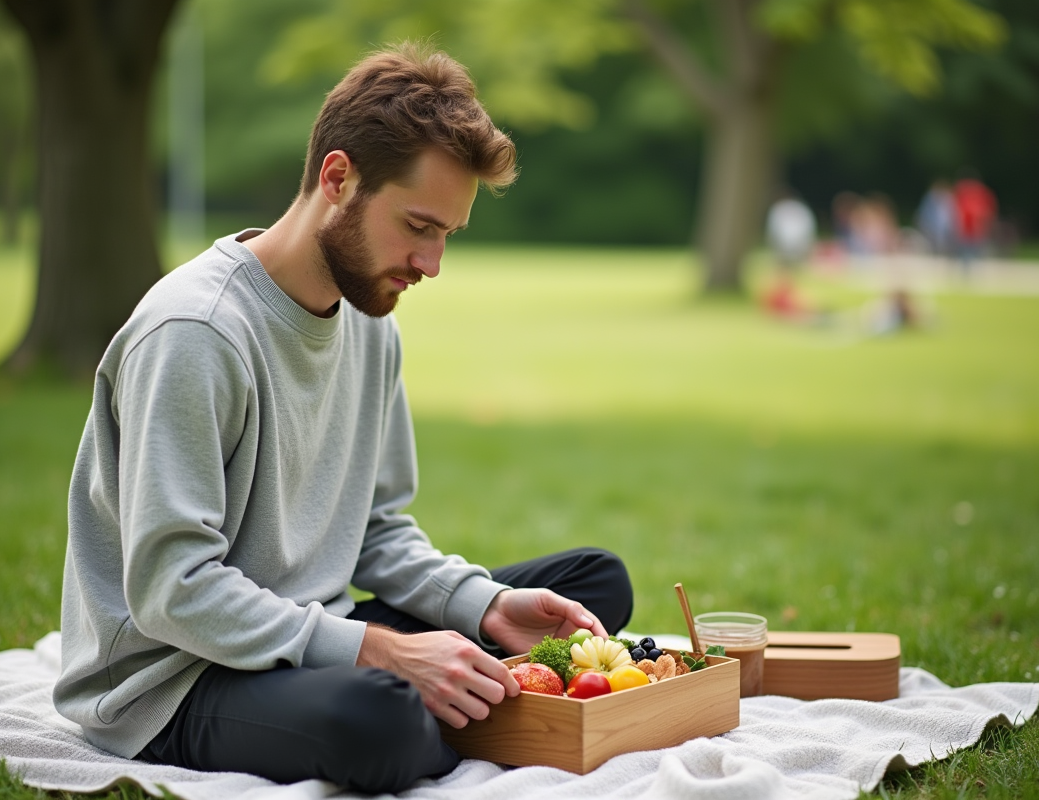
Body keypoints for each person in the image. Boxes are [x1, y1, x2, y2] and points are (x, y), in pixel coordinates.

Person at [53, 43, 633, 794]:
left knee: (592, 586)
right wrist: (382, 652)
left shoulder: (370, 319)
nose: (431, 265)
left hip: (315, 635)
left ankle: (459, 689)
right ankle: (459, 703)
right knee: (382, 721)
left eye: (447, 235)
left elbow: (377, 530)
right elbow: (172, 591)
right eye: (418, 225)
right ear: (338, 178)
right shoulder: (195, 334)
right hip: (177, 678)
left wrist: (485, 606)